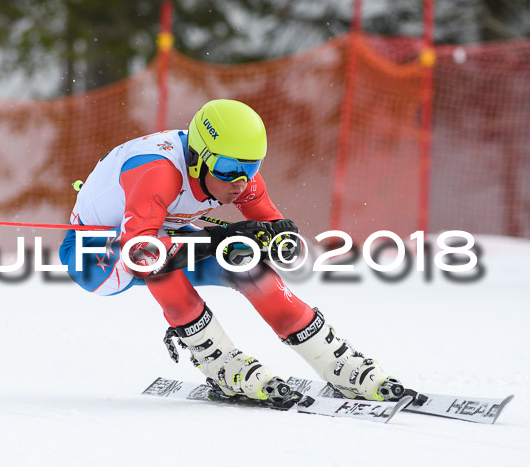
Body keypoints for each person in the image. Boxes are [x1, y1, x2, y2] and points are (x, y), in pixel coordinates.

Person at [59, 99, 401, 403]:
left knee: (246, 262)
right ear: (198, 159)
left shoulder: (237, 172)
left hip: (160, 235)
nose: (240, 181)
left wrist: (279, 238)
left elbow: (274, 233)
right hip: (93, 257)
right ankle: (220, 362)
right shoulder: (159, 174)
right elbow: (142, 254)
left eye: (251, 168)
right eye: (227, 169)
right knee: (163, 266)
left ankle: (332, 359)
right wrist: (215, 240)